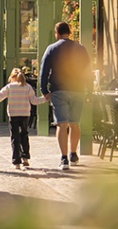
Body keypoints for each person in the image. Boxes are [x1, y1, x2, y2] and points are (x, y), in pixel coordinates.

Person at [39, 22, 92, 172]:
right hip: (78, 90)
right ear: (70, 32)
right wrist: (90, 91)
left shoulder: (52, 49)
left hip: (58, 91)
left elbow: (44, 71)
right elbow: (88, 70)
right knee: (74, 124)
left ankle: (64, 158)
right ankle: (73, 153)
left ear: (57, 33)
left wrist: (44, 90)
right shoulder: (81, 49)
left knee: (61, 124)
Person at [0, 67, 48, 168]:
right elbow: (34, 101)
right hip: (25, 115)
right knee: (24, 135)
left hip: (13, 115)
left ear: (12, 77)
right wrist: (44, 99)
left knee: (15, 137)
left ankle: (16, 161)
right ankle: (26, 158)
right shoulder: (27, 87)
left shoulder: (9, 87)